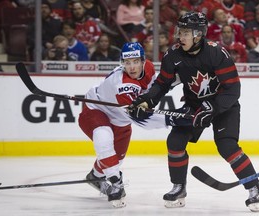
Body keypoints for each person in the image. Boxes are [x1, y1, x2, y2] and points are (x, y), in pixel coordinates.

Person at [128, 12, 259, 212]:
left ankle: (255, 190)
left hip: (223, 106)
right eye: (180, 32)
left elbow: (232, 90)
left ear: (198, 34)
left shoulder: (216, 53)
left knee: (227, 146)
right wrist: (146, 100)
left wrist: (213, 108)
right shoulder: (173, 55)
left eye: (185, 33)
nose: (180, 37)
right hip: (194, 105)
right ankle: (179, 188)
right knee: (175, 141)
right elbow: (162, 83)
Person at [78, 42, 191, 208]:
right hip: (95, 109)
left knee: (117, 158)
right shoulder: (122, 85)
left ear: (143, 61)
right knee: (104, 138)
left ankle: (94, 176)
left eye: (136, 61)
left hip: (120, 119)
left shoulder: (150, 69)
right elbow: (141, 120)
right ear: (122, 63)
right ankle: (115, 182)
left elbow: (157, 88)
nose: (132, 67)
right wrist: (172, 119)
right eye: (127, 62)